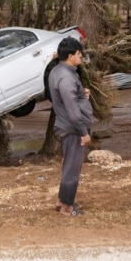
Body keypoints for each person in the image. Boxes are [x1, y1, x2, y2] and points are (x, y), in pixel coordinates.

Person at [48, 37, 93, 217]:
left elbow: (67, 98)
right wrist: (83, 133)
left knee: (69, 166)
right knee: (72, 169)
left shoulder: (58, 72)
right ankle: (67, 207)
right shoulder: (66, 78)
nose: (80, 55)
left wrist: (83, 95)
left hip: (68, 126)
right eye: (78, 53)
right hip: (73, 129)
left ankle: (61, 200)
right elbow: (73, 111)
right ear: (70, 56)